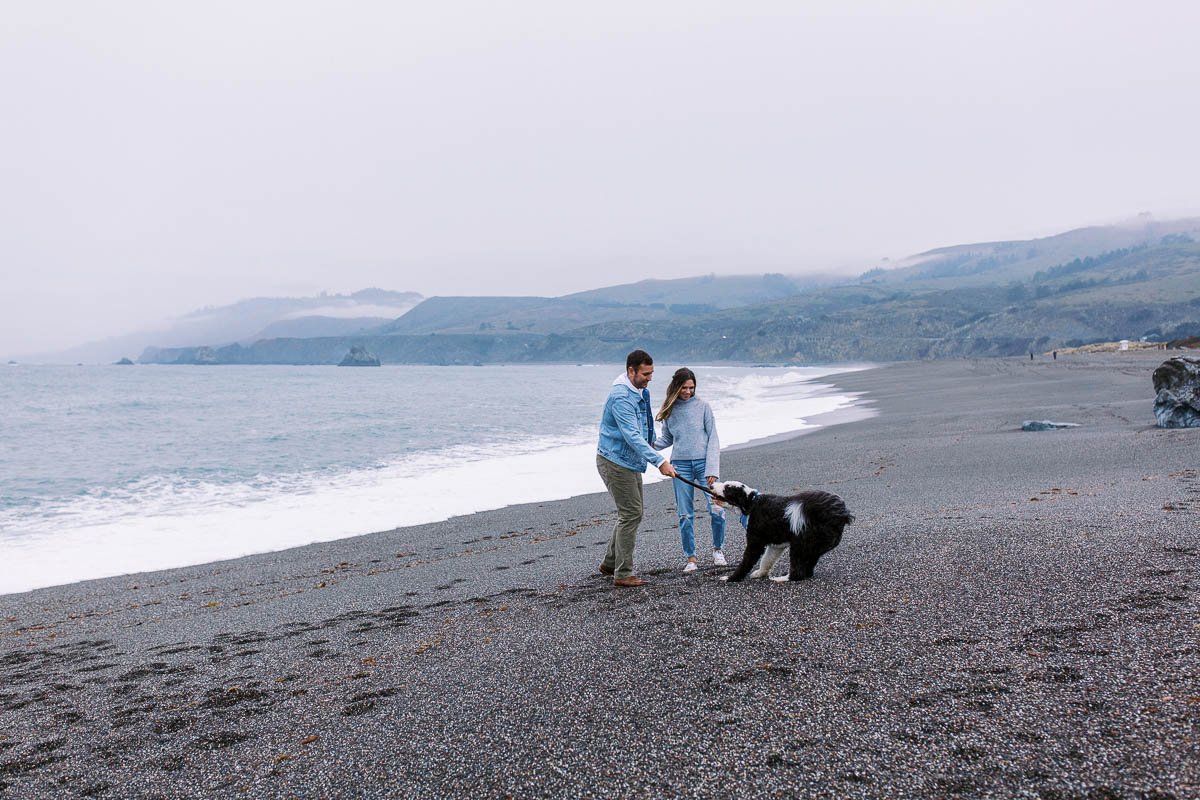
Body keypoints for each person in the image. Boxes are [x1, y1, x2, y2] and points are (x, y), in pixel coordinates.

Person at [596, 350, 677, 587]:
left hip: (630, 461)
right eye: (645, 373)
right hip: (614, 462)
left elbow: (646, 426)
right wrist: (660, 461)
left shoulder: (642, 391)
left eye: (651, 373)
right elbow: (631, 435)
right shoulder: (620, 397)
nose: (649, 378)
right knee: (631, 514)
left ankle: (610, 563)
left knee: (630, 513)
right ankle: (623, 574)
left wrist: (653, 446)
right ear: (631, 370)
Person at [653, 368, 726, 572]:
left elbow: (713, 438)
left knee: (717, 510)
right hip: (680, 465)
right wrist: (651, 446)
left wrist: (712, 468)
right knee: (685, 514)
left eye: (691, 388)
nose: (688, 391)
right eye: (684, 387)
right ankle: (691, 558)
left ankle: (718, 550)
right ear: (676, 386)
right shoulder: (670, 409)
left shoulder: (703, 407)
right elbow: (667, 439)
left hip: (704, 464)